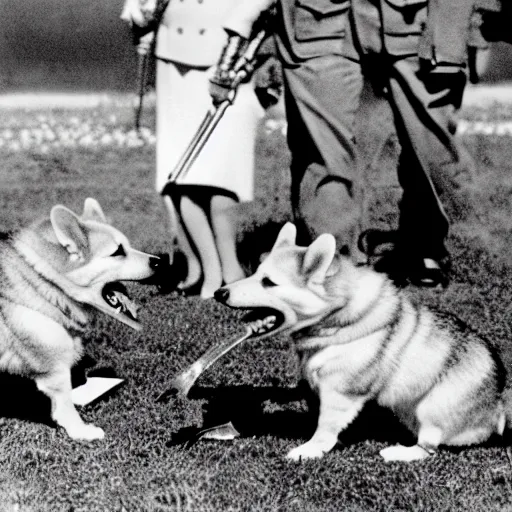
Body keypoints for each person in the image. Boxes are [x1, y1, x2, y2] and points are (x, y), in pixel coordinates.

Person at [212, 0, 478, 288]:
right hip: (314, 19)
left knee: (433, 151)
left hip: (415, 19)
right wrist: (253, 31)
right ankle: (335, 262)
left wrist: (452, 34)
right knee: (322, 152)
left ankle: (422, 244)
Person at [122, 0, 266, 299]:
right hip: (174, 61)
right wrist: (141, 17)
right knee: (182, 174)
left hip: (230, 58)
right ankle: (203, 270)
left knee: (224, 175)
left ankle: (230, 269)